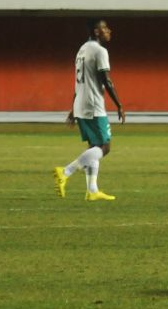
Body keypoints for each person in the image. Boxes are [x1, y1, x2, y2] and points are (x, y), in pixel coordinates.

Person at [52, 19, 125, 203]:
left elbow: (79, 81)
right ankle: (66, 171)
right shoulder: (100, 51)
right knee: (104, 147)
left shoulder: (82, 49)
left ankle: (92, 190)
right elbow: (106, 80)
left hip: (81, 104)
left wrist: (73, 107)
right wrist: (119, 104)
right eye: (105, 28)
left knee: (94, 147)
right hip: (93, 106)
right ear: (96, 31)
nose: (109, 30)